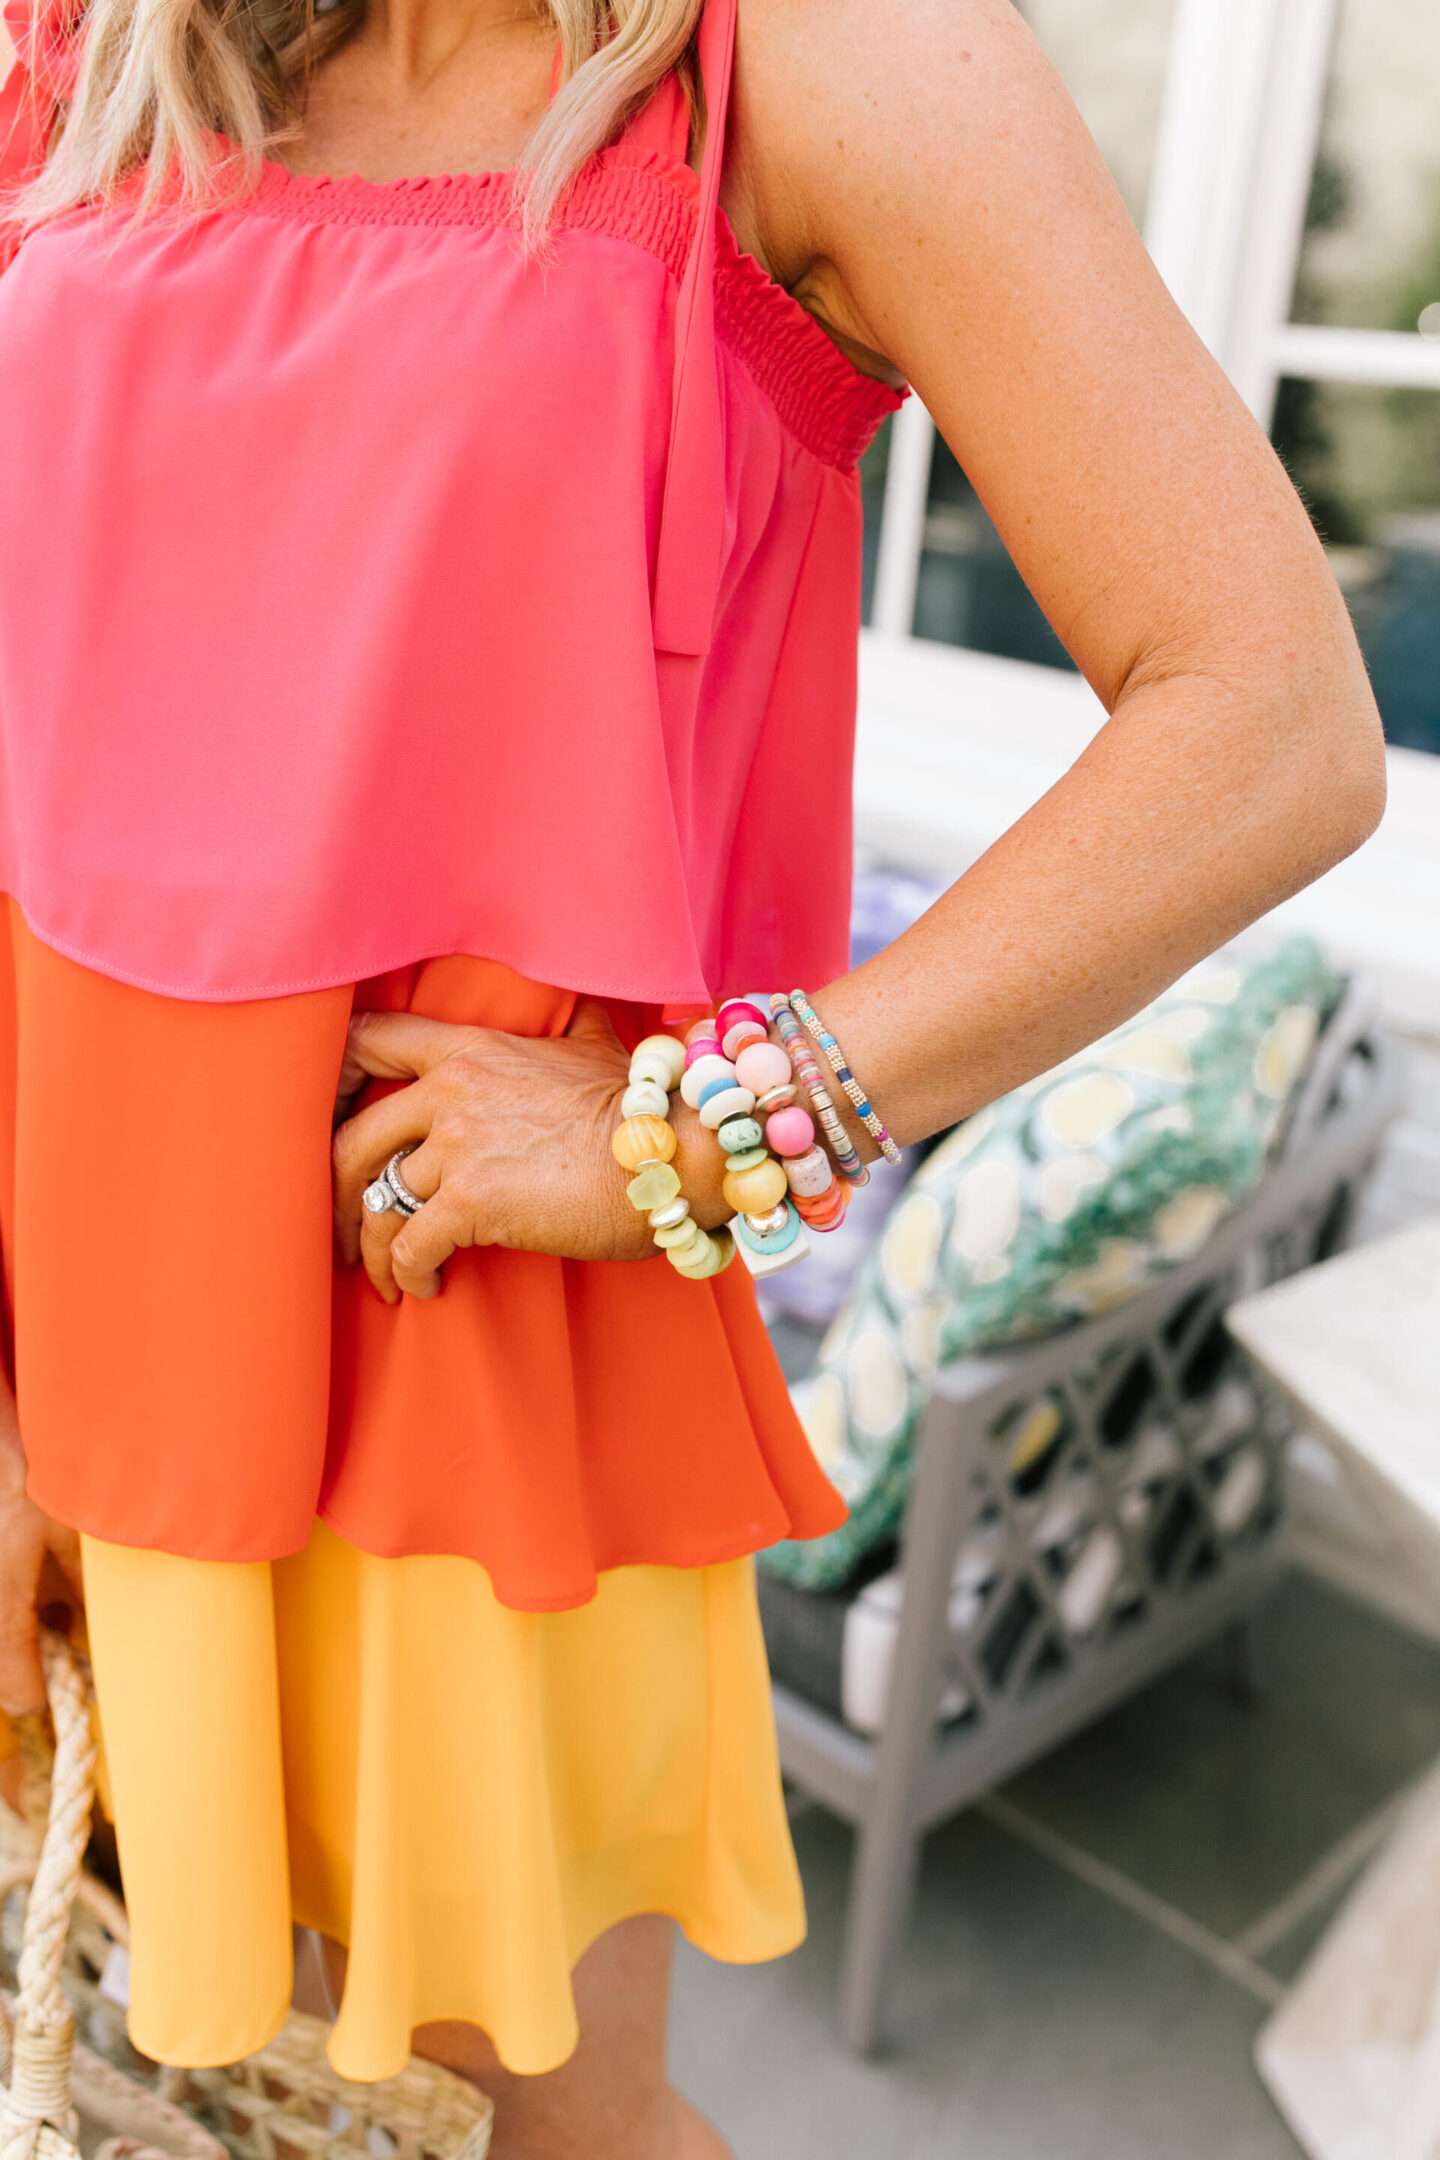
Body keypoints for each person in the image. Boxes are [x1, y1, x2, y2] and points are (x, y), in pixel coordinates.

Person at [0, 0, 1385, 2151]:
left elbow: (1274, 722)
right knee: (137, 2064)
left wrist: (708, 1123)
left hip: (458, 1323)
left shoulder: (831, 56)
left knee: (525, 2127)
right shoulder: (89, 45)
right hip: (66, 1316)